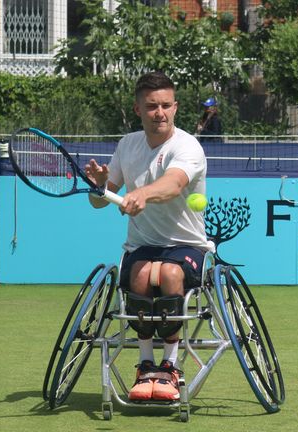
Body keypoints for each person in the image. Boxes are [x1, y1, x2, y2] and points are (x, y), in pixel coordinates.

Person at [84, 71, 209, 402]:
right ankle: (145, 364)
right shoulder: (127, 145)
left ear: (176, 107)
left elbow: (174, 184)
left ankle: (170, 366)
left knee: (168, 272)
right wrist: (99, 187)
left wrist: (144, 194)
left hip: (187, 246)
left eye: (167, 105)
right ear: (138, 109)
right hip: (141, 246)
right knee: (140, 274)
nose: (160, 113)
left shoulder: (187, 146)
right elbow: (99, 201)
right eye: (152, 106)